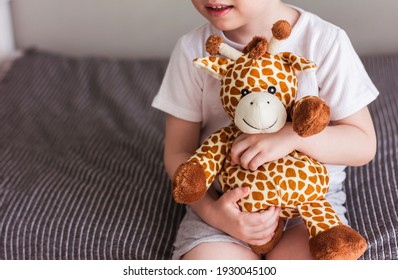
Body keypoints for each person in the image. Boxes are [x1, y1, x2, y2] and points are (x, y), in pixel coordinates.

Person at [152, 0, 379, 260]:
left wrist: (292, 136)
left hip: (307, 206)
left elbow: (363, 144)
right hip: (224, 202)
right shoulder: (192, 50)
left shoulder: (325, 41)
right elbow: (178, 152)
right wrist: (213, 212)